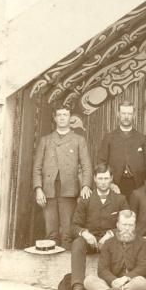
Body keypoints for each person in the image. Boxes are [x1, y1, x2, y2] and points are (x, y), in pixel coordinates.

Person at [32, 106, 93, 249]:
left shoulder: (78, 140)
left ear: (70, 118)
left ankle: (66, 267)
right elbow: (37, 167)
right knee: (51, 232)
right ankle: (50, 268)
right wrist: (38, 189)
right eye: (59, 115)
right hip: (49, 191)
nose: (62, 117)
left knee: (67, 232)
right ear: (55, 118)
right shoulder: (45, 140)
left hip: (69, 191)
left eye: (65, 115)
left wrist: (85, 186)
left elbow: (86, 166)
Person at [67, 163, 128, 290]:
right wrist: (85, 233)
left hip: (111, 241)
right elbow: (74, 226)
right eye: (100, 178)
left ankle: (113, 288)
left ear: (111, 178)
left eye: (106, 178)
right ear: (94, 178)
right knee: (77, 243)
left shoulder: (120, 199)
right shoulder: (86, 199)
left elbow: (127, 224)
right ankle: (78, 288)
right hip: (91, 240)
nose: (103, 182)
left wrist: (110, 234)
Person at [83, 210, 146, 290]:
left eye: (130, 225)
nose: (127, 228)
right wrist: (113, 281)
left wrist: (126, 278)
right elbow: (102, 270)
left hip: (131, 285)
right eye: (124, 225)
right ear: (118, 225)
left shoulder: (143, 243)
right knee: (89, 280)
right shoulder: (108, 243)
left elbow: (142, 267)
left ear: (135, 226)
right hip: (112, 284)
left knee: (142, 282)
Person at [96, 100, 146, 199]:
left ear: (133, 115)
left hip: (137, 185)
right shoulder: (109, 137)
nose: (126, 116)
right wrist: (110, 183)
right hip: (115, 185)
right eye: (123, 113)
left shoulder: (141, 138)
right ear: (118, 114)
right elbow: (101, 162)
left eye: (129, 114)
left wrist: (145, 186)